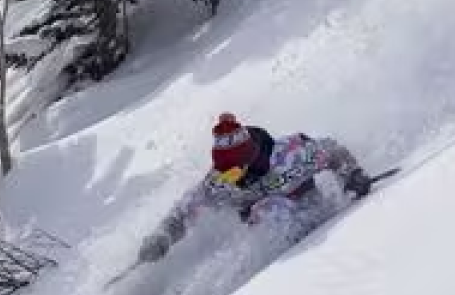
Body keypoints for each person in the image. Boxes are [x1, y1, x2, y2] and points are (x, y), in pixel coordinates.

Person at [137, 112, 372, 264]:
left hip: (312, 215)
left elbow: (332, 151)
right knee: (259, 217)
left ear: (248, 161)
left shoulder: (291, 154)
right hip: (266, 242)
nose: (227, 179)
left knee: (271, 208)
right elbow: (185, 210)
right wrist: (163, 237)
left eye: (231, 172)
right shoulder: (221, 182)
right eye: (221, 171)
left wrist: (352, 175)